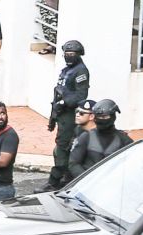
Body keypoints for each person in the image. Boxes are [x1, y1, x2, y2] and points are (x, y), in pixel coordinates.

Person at [38, 40, 89, 192]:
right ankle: (66, 179)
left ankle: (55, 181)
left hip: (70, 115)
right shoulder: (66, 70)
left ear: (78, 54)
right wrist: (53, 117)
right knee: (62, 148)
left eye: (71, 54)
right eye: (66, 54)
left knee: (62, 149)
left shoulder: (80, 71)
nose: (68, 57)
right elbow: (57, 94)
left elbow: (80, 96)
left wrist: (64, 102)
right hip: (61, 114)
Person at [68, 99, 133, 179]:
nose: (101, 119)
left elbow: (133, 165)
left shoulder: (123, 140)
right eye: (99, 117)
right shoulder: (86, 137)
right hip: (87, 186)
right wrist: (87, 180)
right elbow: (73, 163)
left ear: (112, 116)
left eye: (104, 116)